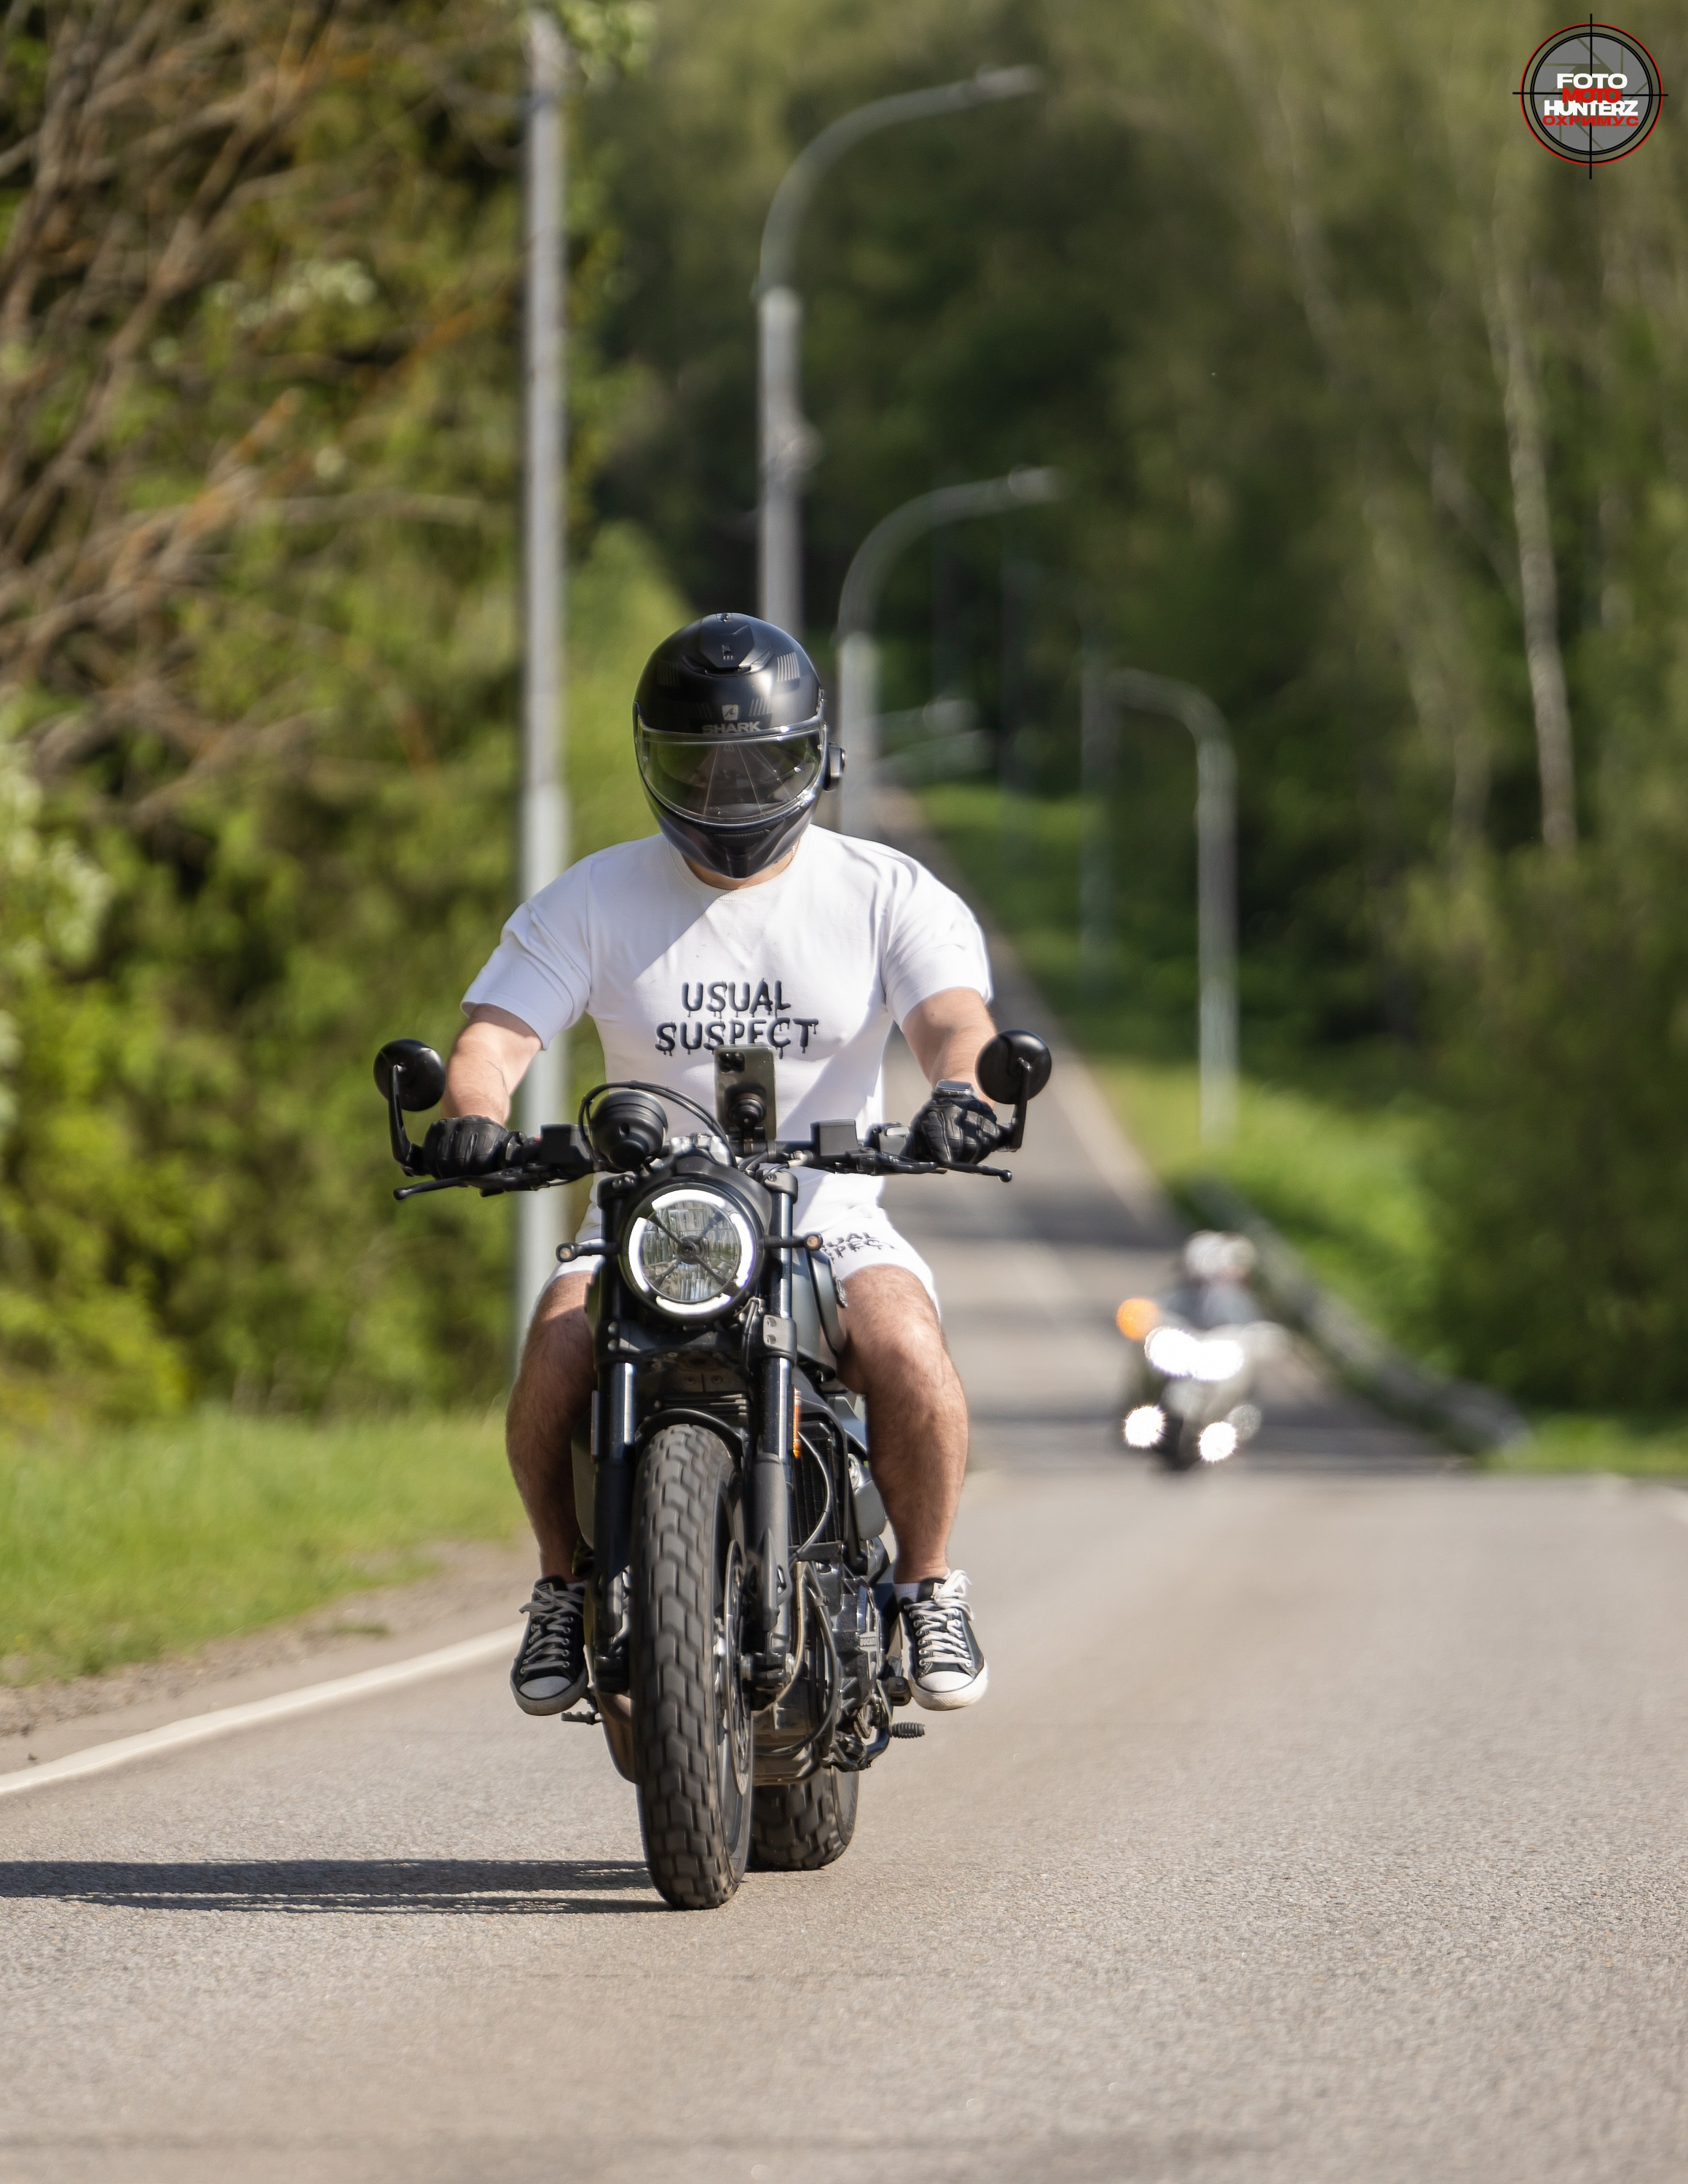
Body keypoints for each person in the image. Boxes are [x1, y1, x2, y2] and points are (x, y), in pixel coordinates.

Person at [426, 612, 1003, 1726]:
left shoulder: (886, 891)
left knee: (903, 1344)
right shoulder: (592, 898)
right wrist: (474, 1113)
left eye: (760, 764)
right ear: (654, 761)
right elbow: (493, 1043)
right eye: (701, 765)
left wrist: (963, 1097)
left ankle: (927, 1582)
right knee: (555, 1346)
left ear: (817, 760)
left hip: (833, 1217)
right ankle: (561, 1584)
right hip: (650, 1221)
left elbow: (952, 1024)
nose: (730, 792)